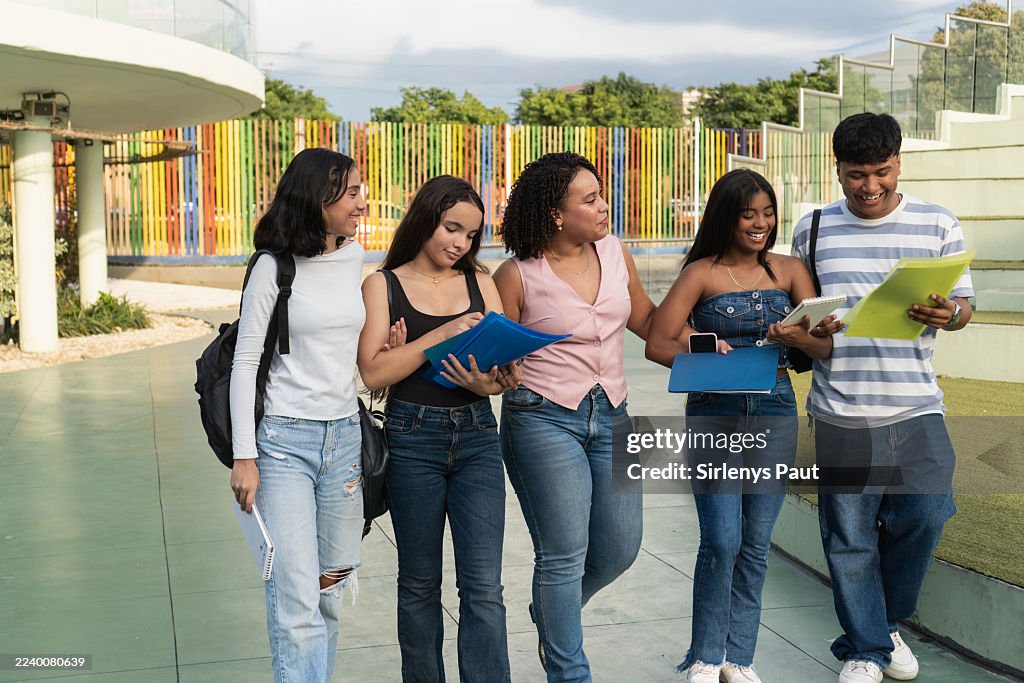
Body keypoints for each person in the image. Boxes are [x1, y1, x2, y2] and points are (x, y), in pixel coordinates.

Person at [791, 112, 974, 683]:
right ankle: (868, 652)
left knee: (925, 514)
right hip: (840, 408)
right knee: (848, 538)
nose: (869, 186)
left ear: (899, 162)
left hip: (917, 404)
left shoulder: (937, 223)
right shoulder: (812, 229)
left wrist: (950, 313)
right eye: (856, 174)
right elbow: (804, 316)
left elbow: (964, 308)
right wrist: (808, 331)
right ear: (837, 169)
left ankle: (882, 625)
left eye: (881, 172)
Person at [645, 168, 833, 683]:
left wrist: (797, 338)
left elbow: (823, 348)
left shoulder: (791, 271)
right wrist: (706, 354)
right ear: (726, 217)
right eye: (749, 214)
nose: (760, 224)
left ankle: (739, 658)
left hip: (775, 409)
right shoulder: (700, 273)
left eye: (768, 213)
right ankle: (706, 656)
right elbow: (658, 343)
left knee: (755, 542)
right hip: (714, 410)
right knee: (722, 540)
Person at [493, 151, 657, 683]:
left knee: (620, 549)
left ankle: (552, 611)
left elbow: (647, 319)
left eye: (601, 195)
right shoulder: (517, 275)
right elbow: (497, 353)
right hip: (542, 418)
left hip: (613, 414)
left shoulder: (615, 252)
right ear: (556, 214)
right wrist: (498, 368)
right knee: (562, 555)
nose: (604, 206)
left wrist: (708, 343)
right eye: (590, 200)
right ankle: (569, 671)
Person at [356, 175, 518, 683]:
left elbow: (502, 375)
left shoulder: (481, 283)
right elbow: (373, 372)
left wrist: (490, 382)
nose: (460, 243)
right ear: (425, 219)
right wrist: (442, 334)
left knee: (484, 587)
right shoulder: (382, 285)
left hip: (477, 436)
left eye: (470, 234)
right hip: (411, 437)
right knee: (419, 584)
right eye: (452, 228)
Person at [229, 148, 368, 683]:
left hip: (345, 441)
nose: (361, 202)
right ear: (318, 198)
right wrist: (245, 456)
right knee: (296, 601)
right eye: (351, 193)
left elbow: (343, 340)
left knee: (329, 592)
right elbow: (245, 362)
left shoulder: (354, 257)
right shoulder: (273, 266)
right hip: (284, 445)